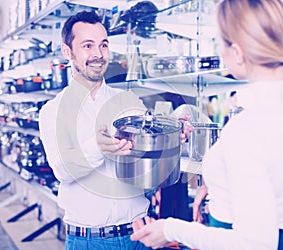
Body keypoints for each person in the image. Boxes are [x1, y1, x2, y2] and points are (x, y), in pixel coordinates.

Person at [130, 0, 283, 249]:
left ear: (236, 53)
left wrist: (170, 229)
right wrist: (221, 185)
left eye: (221, 41)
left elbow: (254, 244)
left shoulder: (246, 130)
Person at [38, 10, 153, 249]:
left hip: (140, 235)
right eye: (87, 46)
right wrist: (99, 146)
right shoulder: (53, 111)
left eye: (103, 45)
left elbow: (150, 156)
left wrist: (175, 136)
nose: (98, 54)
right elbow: (63, 170)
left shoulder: (129, 102)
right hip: (89, 241)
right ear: (67, 51)